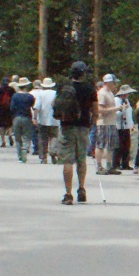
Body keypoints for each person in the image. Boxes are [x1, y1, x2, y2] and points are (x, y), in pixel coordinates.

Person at [55, 61, 99, 204]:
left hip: (67, 126)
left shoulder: (64, 87)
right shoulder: (89, 88)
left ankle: (68, 194)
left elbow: (55, 105)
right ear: (83, 73)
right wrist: (92, 124)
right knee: (81, 159)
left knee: (68, 161)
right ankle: (81, 189)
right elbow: (95, 110)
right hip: (83, 126)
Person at [94, 74, 123, 175]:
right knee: (101, 145)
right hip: (103, 123)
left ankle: (109, 166)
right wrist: (116, 108)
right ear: (109, 82)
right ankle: (99, 166)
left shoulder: (110, 93)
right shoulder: (102, 93)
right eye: (114, 83)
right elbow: (100, 109)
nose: (115, 85)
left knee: (111, 145)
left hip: (111, 122)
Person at [33, 76, 59, 164]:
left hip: (43, 120)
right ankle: (53, 151)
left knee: (42, 139)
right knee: (54, 137)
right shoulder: (56, 93)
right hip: (55, 120)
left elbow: (37, 107)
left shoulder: (41, 94)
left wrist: (34, 118)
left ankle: (43, 158)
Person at [9, 80, 36, 163]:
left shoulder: (15, 96)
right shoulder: (30, 96)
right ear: (26, 86)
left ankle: (20, 155)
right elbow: (33, 107)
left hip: (16, 117)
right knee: (27, 136)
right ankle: (25, 148)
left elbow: (12, 108)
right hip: (27, 117)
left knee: (18, 138)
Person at [0, 75, 16, 146]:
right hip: (9, 109)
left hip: (1, 109)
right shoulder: (12, 90)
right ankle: (10, 135)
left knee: (1, 126)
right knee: (9, 125)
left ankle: (3, 141)